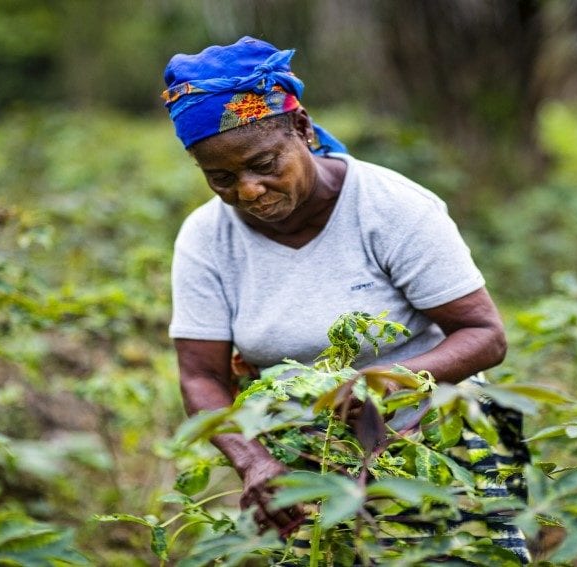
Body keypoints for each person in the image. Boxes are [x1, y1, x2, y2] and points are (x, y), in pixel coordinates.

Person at [163, 36, 530, 563]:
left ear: (303, 129)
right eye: (221, 178)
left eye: (264, 164)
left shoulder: (391, 209)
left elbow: (485, 337)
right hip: (304, 455)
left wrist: (385, 383)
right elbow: (202, 377)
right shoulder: (206, 239)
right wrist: (255, 463)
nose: (248, 190)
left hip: (436, 439)